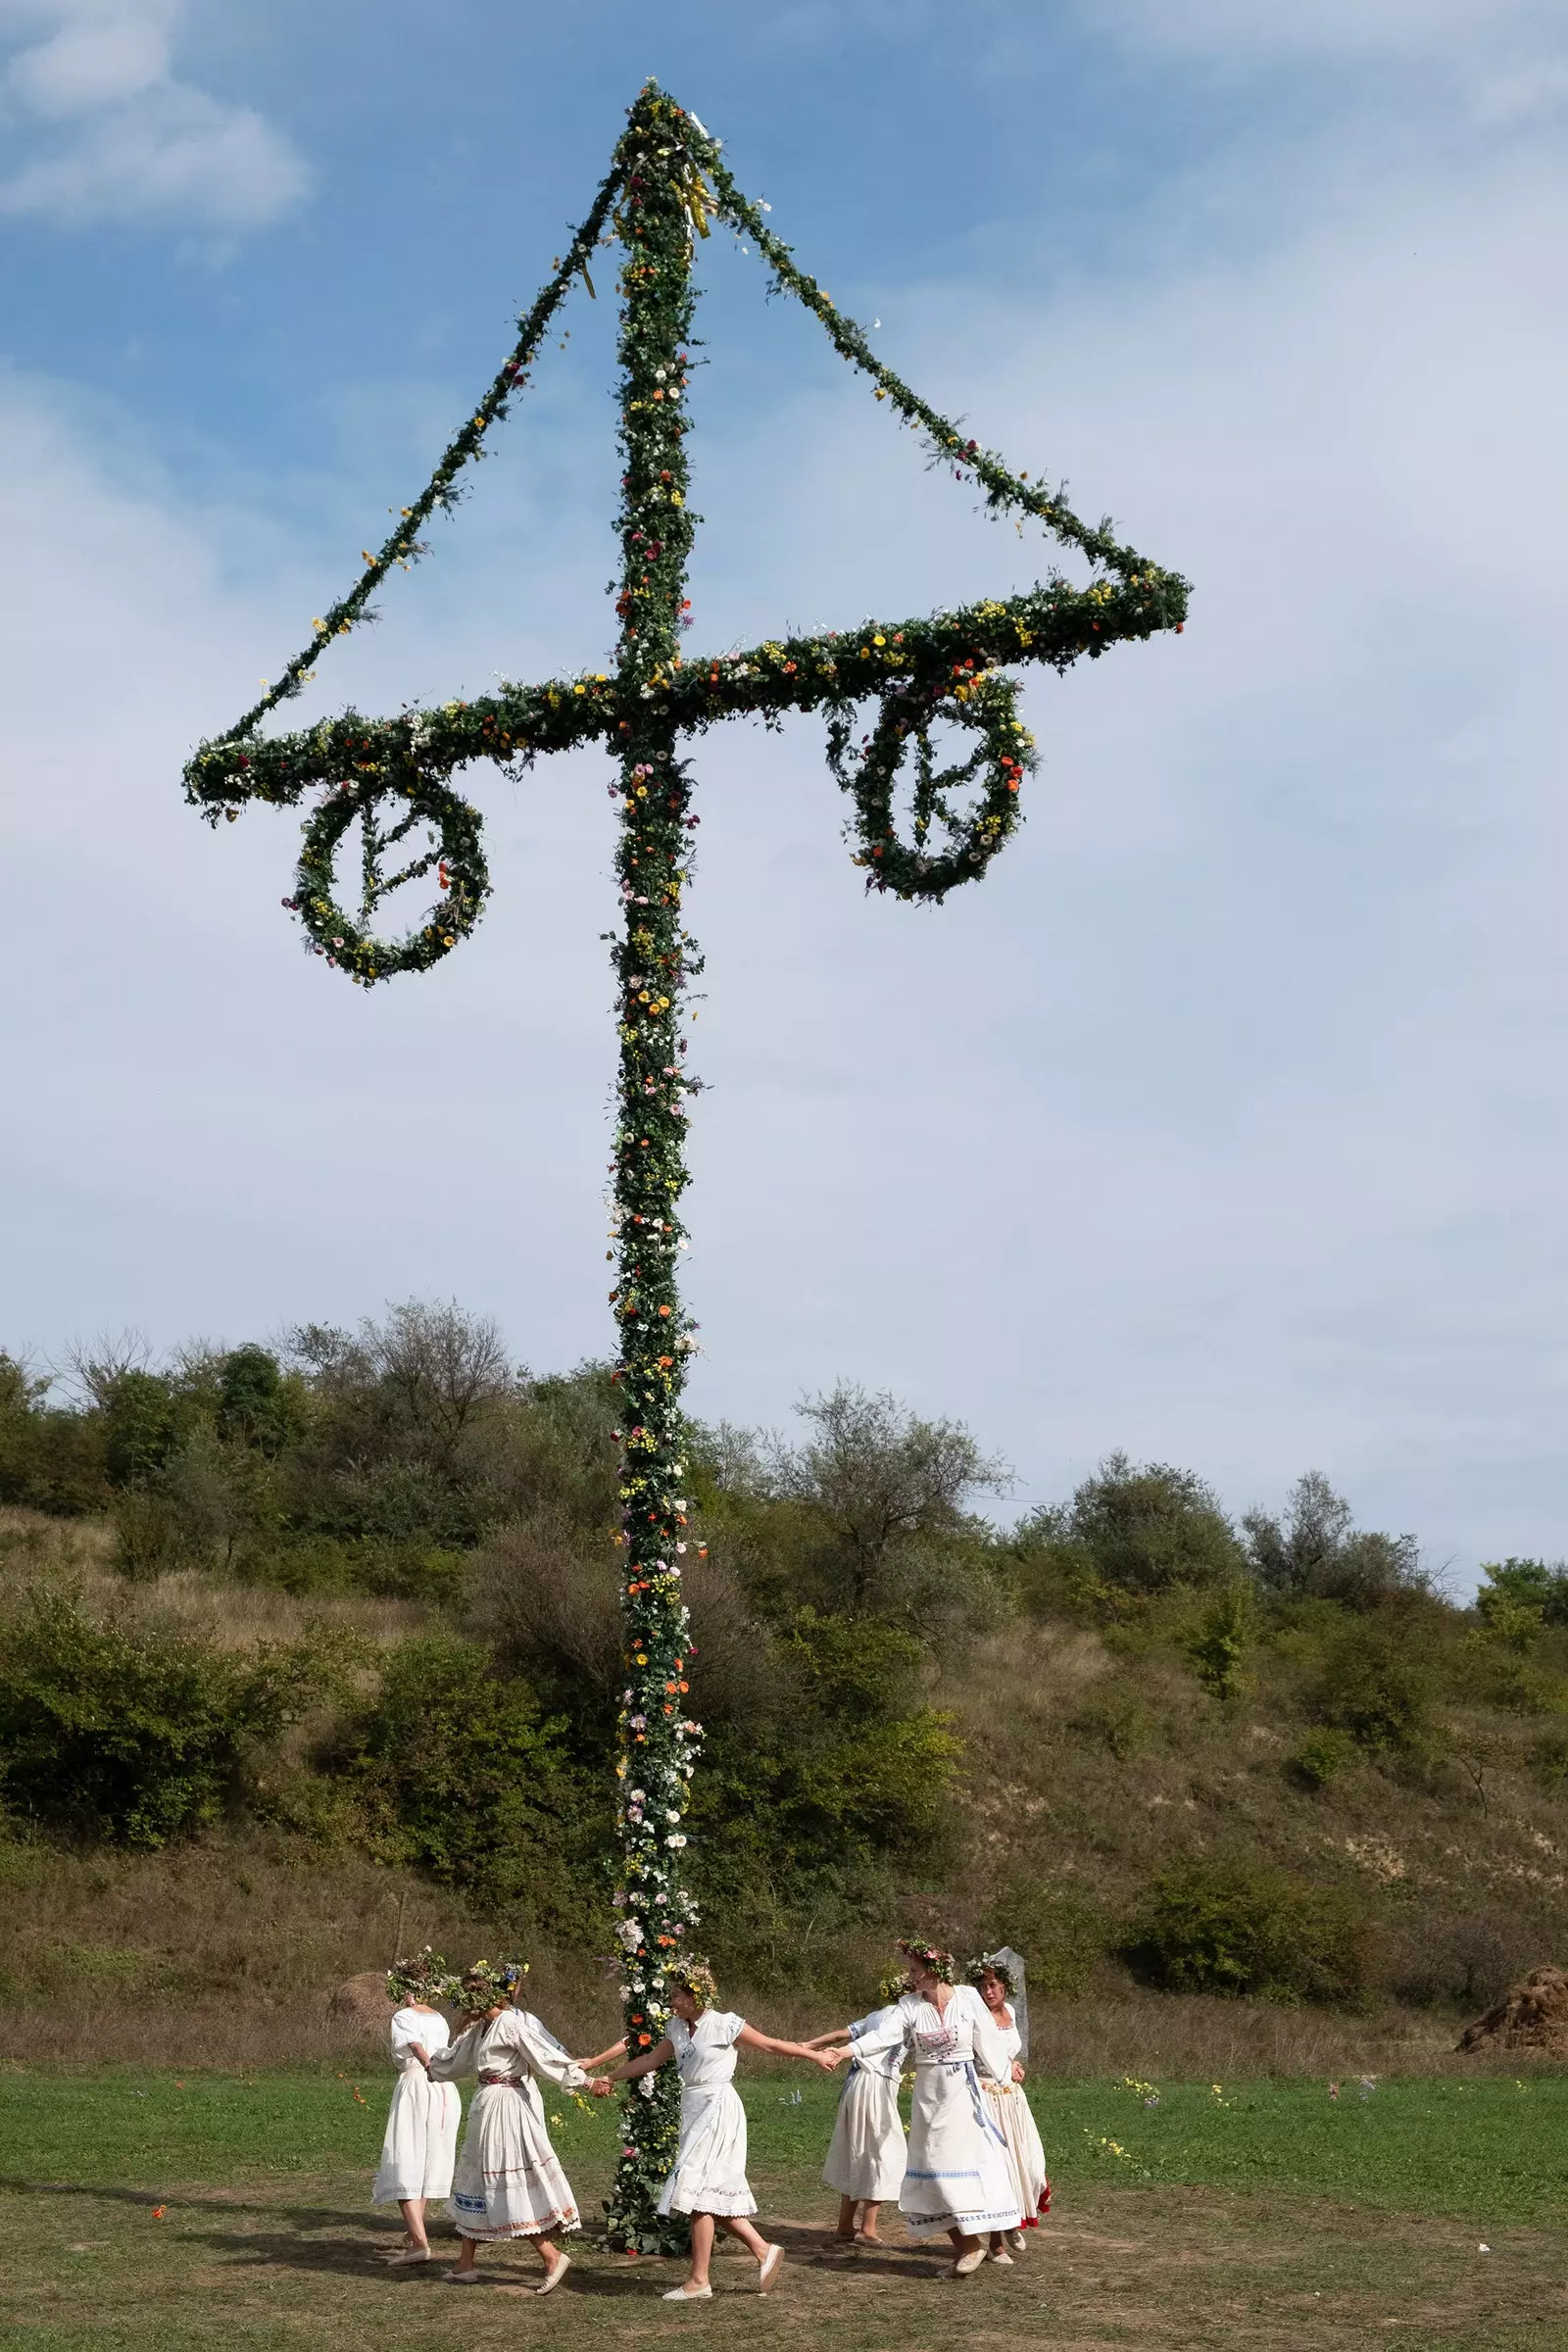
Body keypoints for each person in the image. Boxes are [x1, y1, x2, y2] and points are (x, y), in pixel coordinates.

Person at [600, 1958, 838, 2300]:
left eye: (677, 1995)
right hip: (693, 2108)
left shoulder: (725, 2024)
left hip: (719, 2108)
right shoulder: (677, 2029)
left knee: (696, 2189)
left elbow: (770, 2045)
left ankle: (700, 2280)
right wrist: (610, 2075)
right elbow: (650, 2060)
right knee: (704, 2193)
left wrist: (813, 2056)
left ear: (696, 1996)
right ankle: (761, 2250)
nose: (671, 2001)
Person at [827, 1939, 1020, 2278]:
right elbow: (882, 2037)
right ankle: (967, 2247)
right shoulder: (909, 2006)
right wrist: (845, 2052)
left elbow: (988, 2039)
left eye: (915, 1971)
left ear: (934, 1971)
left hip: (963, 2092)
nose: (911, 1977)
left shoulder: (968, 1997)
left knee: (967, 2164)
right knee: (930, 2168)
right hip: (929, 2097)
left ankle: (980, 2243)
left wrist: (1004, 2075)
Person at [425, 1960, 612, 2294]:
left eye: (470, 2000)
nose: (467, 2007)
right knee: (475, 2179)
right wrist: (432, 2067)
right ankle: (466, 2264)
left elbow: (545, 2057)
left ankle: (551, 2256)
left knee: (506, 2181)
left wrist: (585, 2082)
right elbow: (456, 2060)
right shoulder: (480, 2028)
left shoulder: (511, 2024)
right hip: (487, 2105)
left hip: (508, 2107)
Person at [805, 1969, 908, 2246]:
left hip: (855, 2084)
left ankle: (844, 2226)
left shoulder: (875, 2016)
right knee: (880, 2151)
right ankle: (868, 2229)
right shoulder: (906, 2016)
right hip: (877, 2085)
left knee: (856, 2149)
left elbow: (841, 2033)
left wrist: (808, 2045)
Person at [371, 1949, 462, 2263]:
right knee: (425, 2160)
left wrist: (428, 2067)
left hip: (420, 2083)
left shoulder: (403, 2016)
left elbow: (415, 2045)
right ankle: (415, 2232)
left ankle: (419, 2242)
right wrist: (441, 2074)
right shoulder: (438, 2017)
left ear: (405, 1989)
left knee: (404, 2157)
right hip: (445, 2090)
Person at [966, 1952, 1050, 2262]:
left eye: (993, 1985)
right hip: (987, 2095)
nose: (988, 1992)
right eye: (983, 1986)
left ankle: (1014, 2218)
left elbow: (1007, 2050)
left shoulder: (1011, 2012)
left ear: (1005, 1987)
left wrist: (1014, 2064)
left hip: (1013, 2098)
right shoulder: (976, 2017)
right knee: (996, 2167)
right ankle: (996, 2243)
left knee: (1026, 2162)